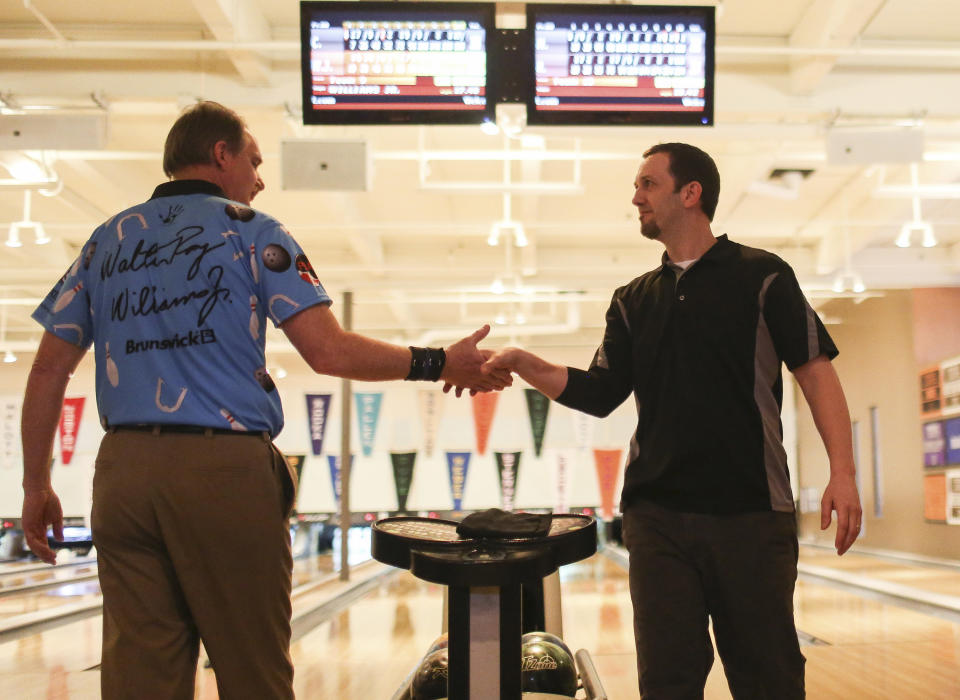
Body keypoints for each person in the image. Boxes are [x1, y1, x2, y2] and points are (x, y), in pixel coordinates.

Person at [20, 100, 510, 700]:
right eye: (253, 161)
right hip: (221, 471)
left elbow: (47, 371)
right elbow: (328, 352)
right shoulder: (252, 229)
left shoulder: (104, 242)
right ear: (220, 156)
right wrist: (436, 363)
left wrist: (35, 485)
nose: (259, 177)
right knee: (253, 671)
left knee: (138, 680)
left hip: (122, 474)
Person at [482, 143, 861, 698]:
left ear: (691, 193)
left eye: (648, 184)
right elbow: (600, 392)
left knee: (768, 678)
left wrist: (843, 472)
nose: (636, 197)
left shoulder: (764, 277)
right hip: (657, 515)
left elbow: (815, 371)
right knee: (666, 680)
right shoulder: (632, 300)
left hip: (751, 512)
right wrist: (524, 362)